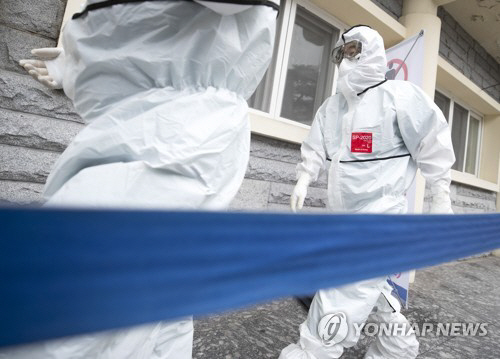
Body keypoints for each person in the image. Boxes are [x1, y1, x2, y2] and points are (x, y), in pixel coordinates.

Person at [4, 0, 279, 358]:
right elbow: (169, 34)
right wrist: (81, 65)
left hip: (173, 133)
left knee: (73, 296)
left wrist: (88, 59)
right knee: (162, 300)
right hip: (165, 123)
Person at [281, 25, 455, 359]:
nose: (347, 60)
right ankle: (397, 348)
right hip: (341, 218)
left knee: (342, 291)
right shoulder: (332, 108)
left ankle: (310, 352)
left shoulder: (400, 97)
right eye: (342, 53)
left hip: (379, 219)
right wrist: (304, 177)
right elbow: (315, 147)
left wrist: (440, 199)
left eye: (354, 51)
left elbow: (432, 145)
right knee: (367, 287)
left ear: (371, 51)